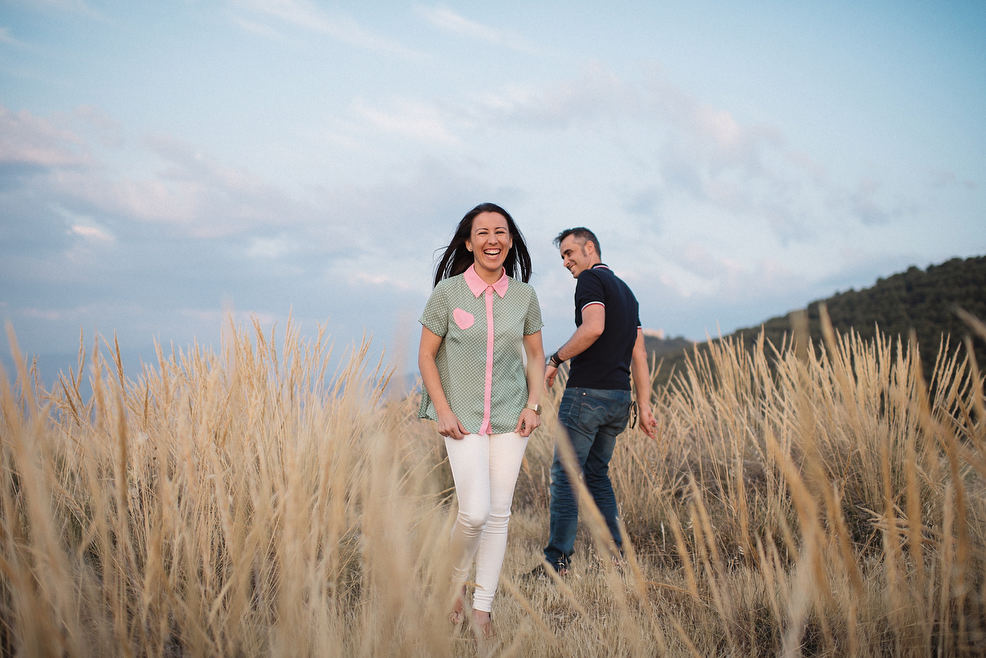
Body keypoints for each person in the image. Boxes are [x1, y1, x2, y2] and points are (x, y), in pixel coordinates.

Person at [418, 202, 545, 638]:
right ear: (469, 242)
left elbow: (534, 355)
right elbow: (426, 355)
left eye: (501, 232)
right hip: (462, 418)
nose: (493, 239)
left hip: (512, 417)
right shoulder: (448, 294)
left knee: (498, 514)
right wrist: (443, 409)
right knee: (473, 513)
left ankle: (483, 609)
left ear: (510, 241)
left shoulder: (524, 296)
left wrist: (534, 405)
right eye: (484, 232)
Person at [538, 227, 657, 576]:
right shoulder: (628, 293)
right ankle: (618, 560)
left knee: (565, 475)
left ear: (590, 248)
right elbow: (639, 353)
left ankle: (556, 564)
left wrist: (556, 359)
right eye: (562, 256)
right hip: (620, 400)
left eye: (569, 253)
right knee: (596, 475)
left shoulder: (590, 281)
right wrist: (645, 404)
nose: (566, 262)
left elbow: (592, 328)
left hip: (587, 395)